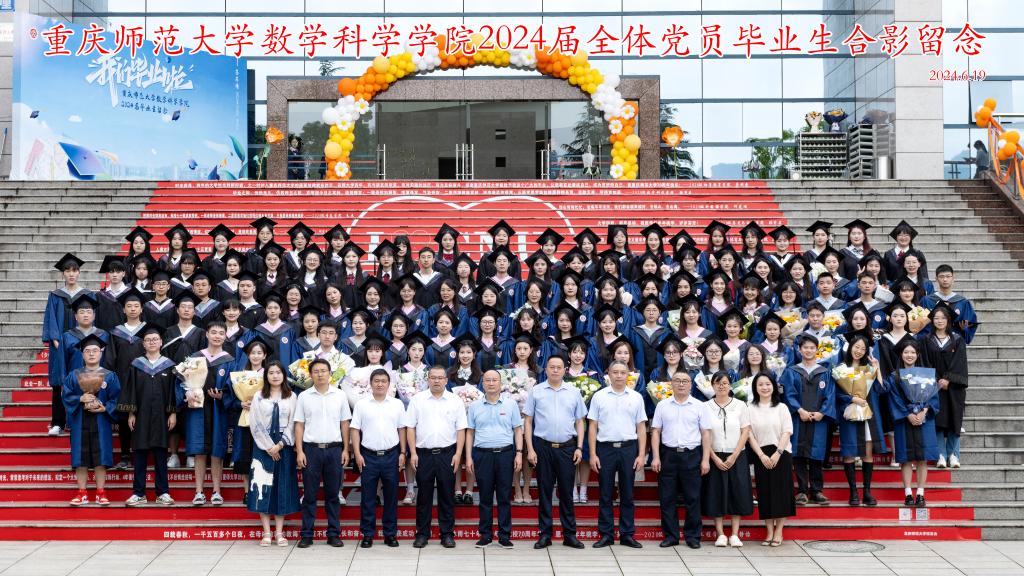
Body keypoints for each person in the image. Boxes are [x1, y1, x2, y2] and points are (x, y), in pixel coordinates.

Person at [524, 354, 588, 549]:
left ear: (564, 370)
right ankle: (545, 534)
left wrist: (579, 447)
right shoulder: (536, 391)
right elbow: (528, 421)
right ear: (546, 369)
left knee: (567, 492)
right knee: (544, 492)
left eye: (559, 367)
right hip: (543, 447)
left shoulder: (573, 392)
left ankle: (569, 534)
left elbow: (580, 421)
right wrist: (530, 449)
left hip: (567, 448)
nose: (555, 370)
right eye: (551, 367)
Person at [587, 361, 647, 549]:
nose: (619, 375)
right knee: (605, 493)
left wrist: (641, 454)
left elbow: (641, 427)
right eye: (615, 372)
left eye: (623, 372)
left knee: (627, 493)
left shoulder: (636, 397)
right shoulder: (599, 396)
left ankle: (627, 534)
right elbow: (592, 426)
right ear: (609, 375)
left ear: (628, 375)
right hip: (605, 449)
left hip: (629, 449)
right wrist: (593, 454)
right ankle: (606, 534)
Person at [406, 365, 467, 548]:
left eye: (440, 378)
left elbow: (461, 429)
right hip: (423, 454)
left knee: (447, 495)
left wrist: (458, 453)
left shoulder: (455, 401)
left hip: (447, 454)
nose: (437, 381)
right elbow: (410, 427)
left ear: (446, 380)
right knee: (423, 496)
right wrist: (413, 452)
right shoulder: (417, 400)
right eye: (433, 377)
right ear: (428, 379)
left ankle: (447, 534)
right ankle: (422, 534)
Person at [650, 372, 713, 549]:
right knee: (667, 497)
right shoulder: (662, 405)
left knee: (693, 497)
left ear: (691, 385)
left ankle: (693, 536)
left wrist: (705, 459)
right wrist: (656, 457)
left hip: (691, 455)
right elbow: (655, 432)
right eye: (677, 381)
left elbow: (706, 433)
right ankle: (671, 536)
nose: (681, 384)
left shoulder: (699, 406)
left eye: (685, 381)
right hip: (668, 455)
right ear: (671, 384)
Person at [294, 357, 351, 548]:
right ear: (311, 375)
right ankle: (307, 534)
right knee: (309, 495)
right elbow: (299, 424)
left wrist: (346, 449)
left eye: (323, 371)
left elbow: (345, 423)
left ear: (330, 373)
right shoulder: (304, 396)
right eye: (316, 371)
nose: (320, 374)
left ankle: (333, 534)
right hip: (311, 450)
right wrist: (299, 451)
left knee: (333, 495)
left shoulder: (340, 395)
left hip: (334, 450)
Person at [466, 369, 523, 549]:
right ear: (482, 383)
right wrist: (468, 457)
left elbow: (517, 430)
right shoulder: (474, 406)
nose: (491, 383)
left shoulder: (511, 404)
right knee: (485, 496)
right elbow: (470, 432)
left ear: (500, 383)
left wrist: (519, 453)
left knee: (504, 496)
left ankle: (504, 535)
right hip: (482, 455)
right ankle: (485, 535)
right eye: (487, 380)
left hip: (505, 454)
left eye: (494, 380)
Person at [62, 334, 121, 506]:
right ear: (82, 354)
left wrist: (106, 408)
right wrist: (80, 398)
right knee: (80, 458)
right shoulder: (74, 375)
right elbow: (66, 395)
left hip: (101, 421)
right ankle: (82, 493)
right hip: (80, 420)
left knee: (101, 457)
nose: (91, 354)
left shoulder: (109, 376)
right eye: (87, 351)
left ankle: (101, 492)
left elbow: (116, 398)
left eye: (95, 350)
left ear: (101, 353)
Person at [121, 325, 177, 507]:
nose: (152, 342)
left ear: (161, 342)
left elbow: (173, 391)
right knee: (140, 453)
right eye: (148, 340)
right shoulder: (136, 365)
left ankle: (163, 492)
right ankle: (139, 493)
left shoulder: (169, 365)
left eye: (155, 339)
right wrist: (131, 413)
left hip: (162, 416)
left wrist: (173, 412)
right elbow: (130, 390)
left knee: (161, 453)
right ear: (143, 344)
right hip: (141, 415)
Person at [351, 368, 406, 548]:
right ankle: (368, 534)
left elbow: (402, 429)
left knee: (391, 497)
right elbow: (354, 430)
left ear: (389, 384)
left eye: (383, 381)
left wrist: (403, 452)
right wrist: (357, 454)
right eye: (376, 381)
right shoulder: (361, 405)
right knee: (368, 497)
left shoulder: (397, 404)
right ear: (371, 383)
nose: (380, 384)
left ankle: (390, 534)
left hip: (391, 455)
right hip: (368, 456)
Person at [247, 361, 301, 547]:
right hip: (263, 445)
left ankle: (279, 532)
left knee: (281, 486)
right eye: (271, 373)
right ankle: (266, 533)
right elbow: (255, 422)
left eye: (278, 372)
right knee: (263, 486)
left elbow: (294, 423)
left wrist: (280, 445)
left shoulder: (291, 396)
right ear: (266, 376)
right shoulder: (259, 396)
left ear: (284, 375)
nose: (275, 376)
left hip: (284, 445)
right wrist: (269, 446)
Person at [179, 322, 234, 505]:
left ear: (225, 336)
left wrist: (223, 395)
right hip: (198, 409)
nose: (217, 336)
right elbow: (182, 381)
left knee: (217, 450)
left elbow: (234, 386)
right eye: (214, 332)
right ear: (207, 335)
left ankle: (217, 491)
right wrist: (187, 393)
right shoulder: (195, 358)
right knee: (200, 451)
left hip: (219, 409)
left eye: (221, 333)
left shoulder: (229, 360)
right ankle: (199, 492)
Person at [780, 334, 836, 506]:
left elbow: (830, 395)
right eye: (805, 347)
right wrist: (799, 410)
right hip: (798, 417)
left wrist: (822, 413)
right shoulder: (792, 371)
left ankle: (817, 491)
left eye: (812, 347)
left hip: (819, 419)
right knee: (798, 453)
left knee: (816, 453)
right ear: (799, 349)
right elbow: (788, 394)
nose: (809, 350)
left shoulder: (825, 372)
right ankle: (802, 491)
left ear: (817, 350)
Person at [702, 370, 754, 547]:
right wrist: (713, 457)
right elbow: (704, 433)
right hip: (715, 454)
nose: (721, 386)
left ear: (730, 385)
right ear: (712, 386)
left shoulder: (740, 405)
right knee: (716, 493)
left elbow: (745, 431)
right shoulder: (706, 406)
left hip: (737, 455)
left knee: (737, 492)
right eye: (718, 383)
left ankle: (734, 534)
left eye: (724, 383)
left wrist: (734, 455)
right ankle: (720, 534)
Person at [887, 340, 939, 507]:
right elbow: (894, 399)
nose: (909, 355)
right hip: (904, 420)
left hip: (924, 419)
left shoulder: (927, 375)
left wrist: (924, 412)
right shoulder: (894, 376)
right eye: (906, 352)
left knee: (922, 458)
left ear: (917, 355)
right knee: (906, 458)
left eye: (912, 352)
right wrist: (907, 414)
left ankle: (921, 494)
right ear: (901, 355)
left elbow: (933, 396)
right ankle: (908, 493)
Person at [746, 373, 795, 546]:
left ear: (773, 386)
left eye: (768, 384)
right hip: (761, 454)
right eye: (760, 384)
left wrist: (778, 453)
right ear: (755, 388)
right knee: (765, 492)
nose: (764, 387)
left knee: (781, 493)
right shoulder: (749, 408)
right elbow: (748, 434)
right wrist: (761, 455)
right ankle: (768, 531)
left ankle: (779, 532)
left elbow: (787, 431)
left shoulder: (782, 407)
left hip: (781, 453)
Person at [923, 303, 969, 469]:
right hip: (934, 387)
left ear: (949, 320)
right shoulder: (926, 340)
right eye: (936, 318)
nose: (940, 320)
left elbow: (960, 363)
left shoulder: (957, 339)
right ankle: (941, 455)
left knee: (954, 420)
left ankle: (953, 455)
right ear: (932, 320)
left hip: (954, 387)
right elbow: (925, 362)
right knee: (938, 420)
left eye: (943, 318)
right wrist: (936, 380)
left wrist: (948, 379)